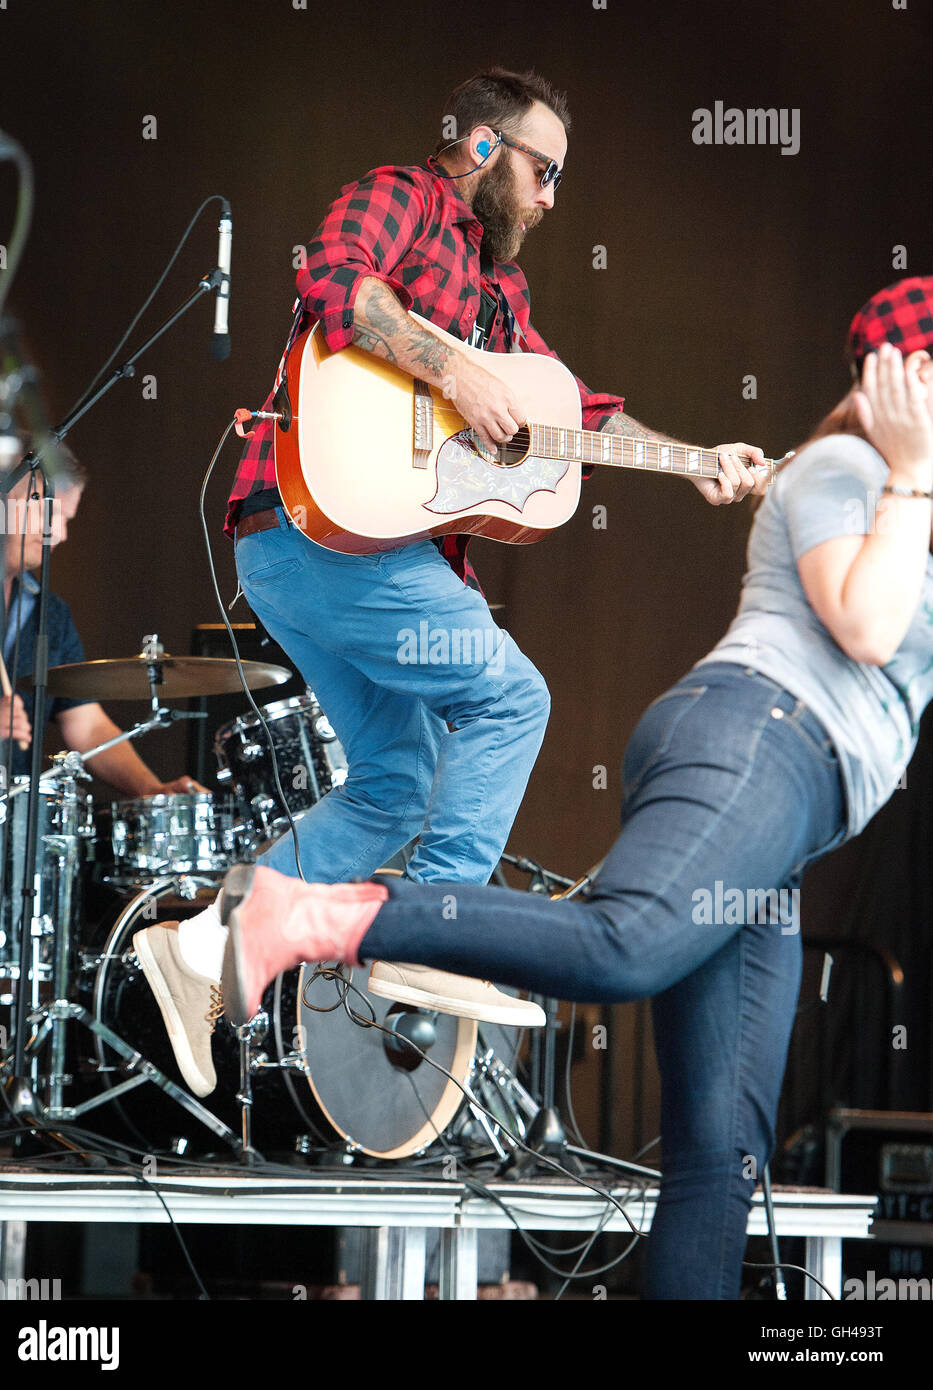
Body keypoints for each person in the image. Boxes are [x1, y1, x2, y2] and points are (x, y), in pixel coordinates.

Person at [210, 277, 933, 1298]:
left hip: (792, 812)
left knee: (720, 1150)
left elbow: (579, 415)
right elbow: (863, 626)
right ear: (905, 382)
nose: (547, 202)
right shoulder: (846, 470)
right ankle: (308, 914)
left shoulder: (900, 499)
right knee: (620, 943)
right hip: (754, 743)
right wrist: (911, 476)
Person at [138, 68, 767, 1074]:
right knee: (510, 697)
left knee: (396, 785)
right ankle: (432, 936)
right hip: (311, 528)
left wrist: (694, 458)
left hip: (313, 557)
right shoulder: (406, 197)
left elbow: (571, 412)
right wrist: (453, 370)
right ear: (482, 146)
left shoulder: (500, 289)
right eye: (542, 171)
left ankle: (202, 947)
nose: (550, 199)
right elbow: (331, 279)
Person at [0, 444, 204, 796]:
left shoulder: (49, 613)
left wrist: (152, 790)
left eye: (67, 520)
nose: (61, 534)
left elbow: (87, 725)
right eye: (53, 514)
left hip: (10, 819)